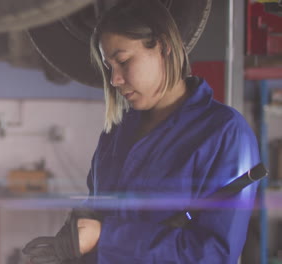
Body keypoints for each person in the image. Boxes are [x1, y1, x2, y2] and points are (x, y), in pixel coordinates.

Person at [23, 0, 261, 263]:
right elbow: (96, 212)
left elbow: (215, 254)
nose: (114, 79)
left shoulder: (224, 134)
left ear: (163, 46)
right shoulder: (117, 133)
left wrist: (106, 237)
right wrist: (68, 246)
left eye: (123, 61)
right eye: (109, 67)